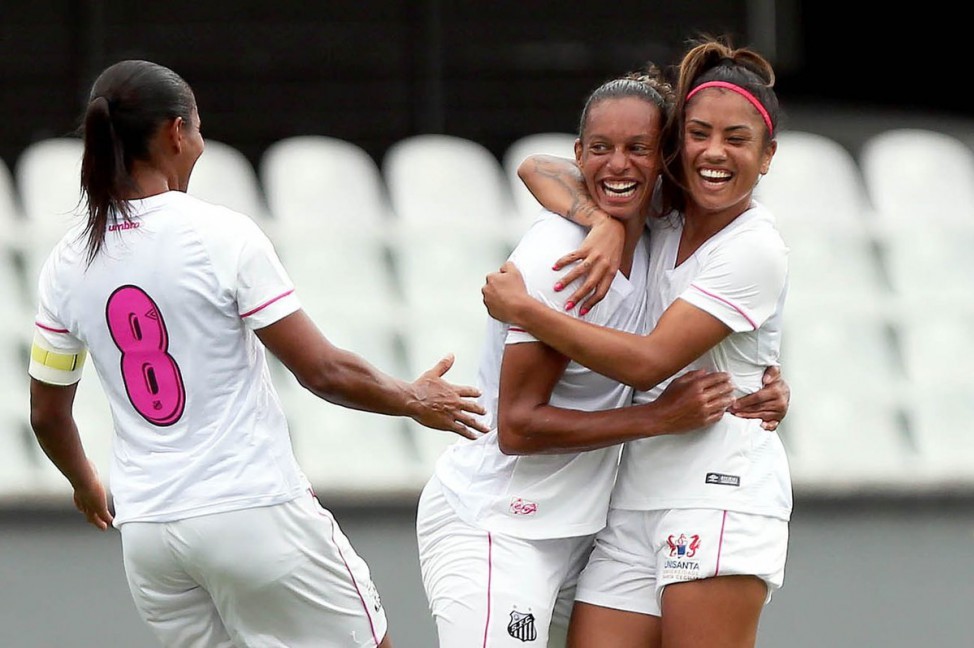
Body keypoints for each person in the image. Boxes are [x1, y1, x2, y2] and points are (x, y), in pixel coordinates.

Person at [26, 59, 488, 648]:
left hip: (150, 535)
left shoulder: (66, 262)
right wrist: (410, 397)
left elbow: (47, 414)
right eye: (196, 130)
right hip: (251, 511)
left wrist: (85, 480)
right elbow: (321, 370)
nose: (198, 145)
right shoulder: (220, 234)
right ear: (174, 133)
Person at [417, 66, 788, 647]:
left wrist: (526, 309)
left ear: (767, 156)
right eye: (700, 134)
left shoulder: (740, 243)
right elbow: (536, 166)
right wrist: (599, 222)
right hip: (546, 513)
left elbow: (651, 363)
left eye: (736, 138)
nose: (714, 152)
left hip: (708, 493)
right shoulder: (638, 224)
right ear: (680, 148)